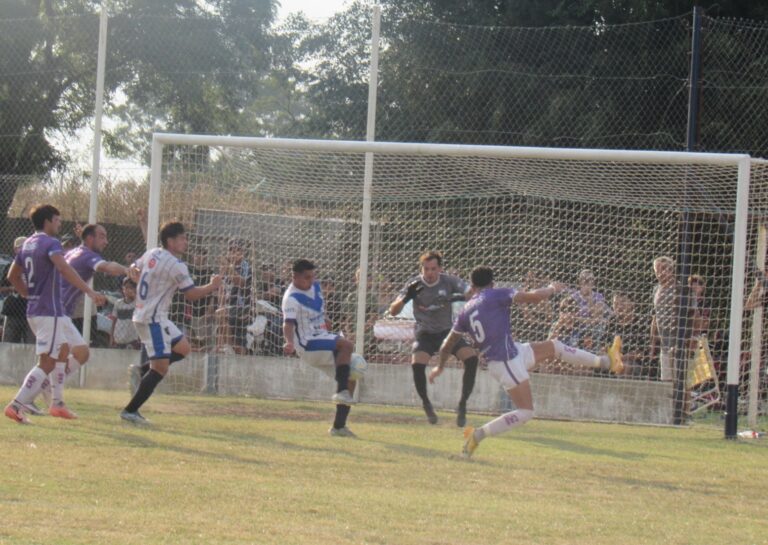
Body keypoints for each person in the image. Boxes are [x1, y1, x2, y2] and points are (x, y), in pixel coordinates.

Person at [429, 266, 624, 459]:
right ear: (493, 283)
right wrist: (552, 288)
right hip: (505, 360)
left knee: (554, 346)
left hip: (511, 353)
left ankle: (608, 362)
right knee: (526, 412)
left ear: (472, 285)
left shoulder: (465, 310)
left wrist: (439, 366)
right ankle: (477, 435)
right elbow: (534, 297)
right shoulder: (495, 295)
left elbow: (447, 344)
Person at [4, 205, 106, 424]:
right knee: (47, 362)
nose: (60, 224)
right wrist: (88, 290)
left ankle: (57, 403)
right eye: (58, 220)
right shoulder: (51, 243)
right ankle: (17, 405)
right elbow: (64, 268)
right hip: (48, 311)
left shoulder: (27, 244)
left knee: (67, 352)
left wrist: (28, 295)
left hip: (45, 311)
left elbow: (12, 276)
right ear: (48, 221)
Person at [120, 222, 222, 423]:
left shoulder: (152, 253)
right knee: (160, 368)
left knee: (183, 348)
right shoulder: (176, 265)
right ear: (170, 241)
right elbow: (191, 295)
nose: (186, 242)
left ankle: (141, 371)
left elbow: (134, 266)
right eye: (182, 238)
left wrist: (132, 269)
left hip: (154, 316)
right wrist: (212, 286)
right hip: (152, 319)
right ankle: (130, 411)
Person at [30, 223, 128, 413]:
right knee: (60, 356)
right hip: (55, 311)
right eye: (102, 236)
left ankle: (47, 396)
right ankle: (36, 398)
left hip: (58, 311)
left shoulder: (75, 252)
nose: (106, 241)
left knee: (74, 353)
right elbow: (107, 267)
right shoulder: (87, 255)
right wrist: (127, 270)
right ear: (90, 238)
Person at [388, 251, 479, 426]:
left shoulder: (449, 281)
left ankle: (462, 404)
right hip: (425, 333)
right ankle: (426, 403)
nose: (430, 273)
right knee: (417, 364)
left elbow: (471, 294)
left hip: (447, 332)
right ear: (421, 268)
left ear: (440, 268)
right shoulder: (413, 284)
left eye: (433, 269)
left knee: (472, 358)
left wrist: (461, 296)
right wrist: (407, 297)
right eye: (426, 269)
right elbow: (393, 311)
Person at [282, 259, 357, 437]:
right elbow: (288, 324)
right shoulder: (291, 299)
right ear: (295, 277)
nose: (311, 280)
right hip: (307, 344)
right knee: (346, 345)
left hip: (321, 336)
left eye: (313, 276)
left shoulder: (316, 286)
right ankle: (342, 392)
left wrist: (325, 321)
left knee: (352, 374)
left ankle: (339, 427)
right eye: (307, 277)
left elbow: (317, 312)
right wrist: (289, 341)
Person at [650, 256, 697, 382]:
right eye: (657, 270)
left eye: (664, 269)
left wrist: (689, 337)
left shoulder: (681, 290)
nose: (660, 273)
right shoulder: (656, 290)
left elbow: (693, 314)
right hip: (664, 344)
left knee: (683, 382)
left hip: (681, 343)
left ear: (672, 270)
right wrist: (653, 343)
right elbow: (655, 317)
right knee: (666, 382)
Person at [215, 239, 252, 355]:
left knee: (220, 314)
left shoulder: (245, 266)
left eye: (237, 250)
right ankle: (228, 348)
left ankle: (230, 348)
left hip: (243, 307)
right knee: (220, 342)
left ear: (243, 252)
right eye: (231, 250)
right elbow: (220, 288)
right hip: (228, 307)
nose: (233, 253)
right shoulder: (225, 268)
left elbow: (241, 283)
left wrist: (228, 268)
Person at [0, 236, 33, 344]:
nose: (24, 249)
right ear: (15, 249)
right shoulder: (10, 266)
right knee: (9, 343)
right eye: (21, 247)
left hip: (30, 311)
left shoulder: (34, 265)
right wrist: (12, 288)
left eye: (26, 246)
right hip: (12, 310)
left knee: (31, 344)